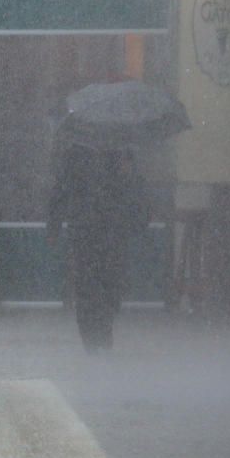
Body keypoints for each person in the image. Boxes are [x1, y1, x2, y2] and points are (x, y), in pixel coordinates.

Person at [48, 145, 149, 352]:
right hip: (97, 229)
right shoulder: (80, 150)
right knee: (94, 283)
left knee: (101, 283)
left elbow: (60, 189)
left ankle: (97, 333)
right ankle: (95, 336)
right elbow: (62, 187)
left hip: (102, 228)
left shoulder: (113, 147)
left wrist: (55, 223)